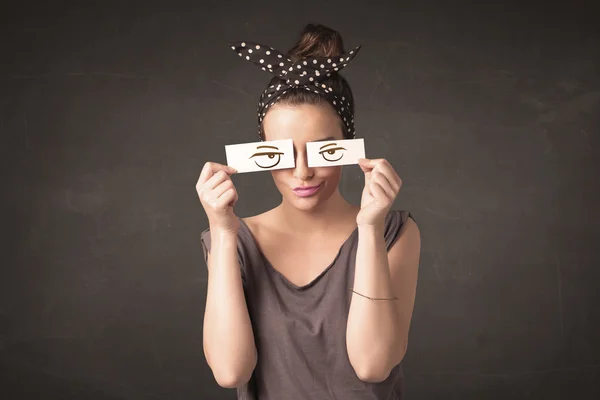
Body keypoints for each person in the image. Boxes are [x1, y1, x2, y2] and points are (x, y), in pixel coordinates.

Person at [196, 23, 421, 400]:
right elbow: (230, 370)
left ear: (348, 147)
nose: (302, 173)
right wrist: (222, 232)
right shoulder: (232, 240)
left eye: (323, 150)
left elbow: (373, 365)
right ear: (262, 152)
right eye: (280, 154)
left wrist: (368, 229)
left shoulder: (394, 233)